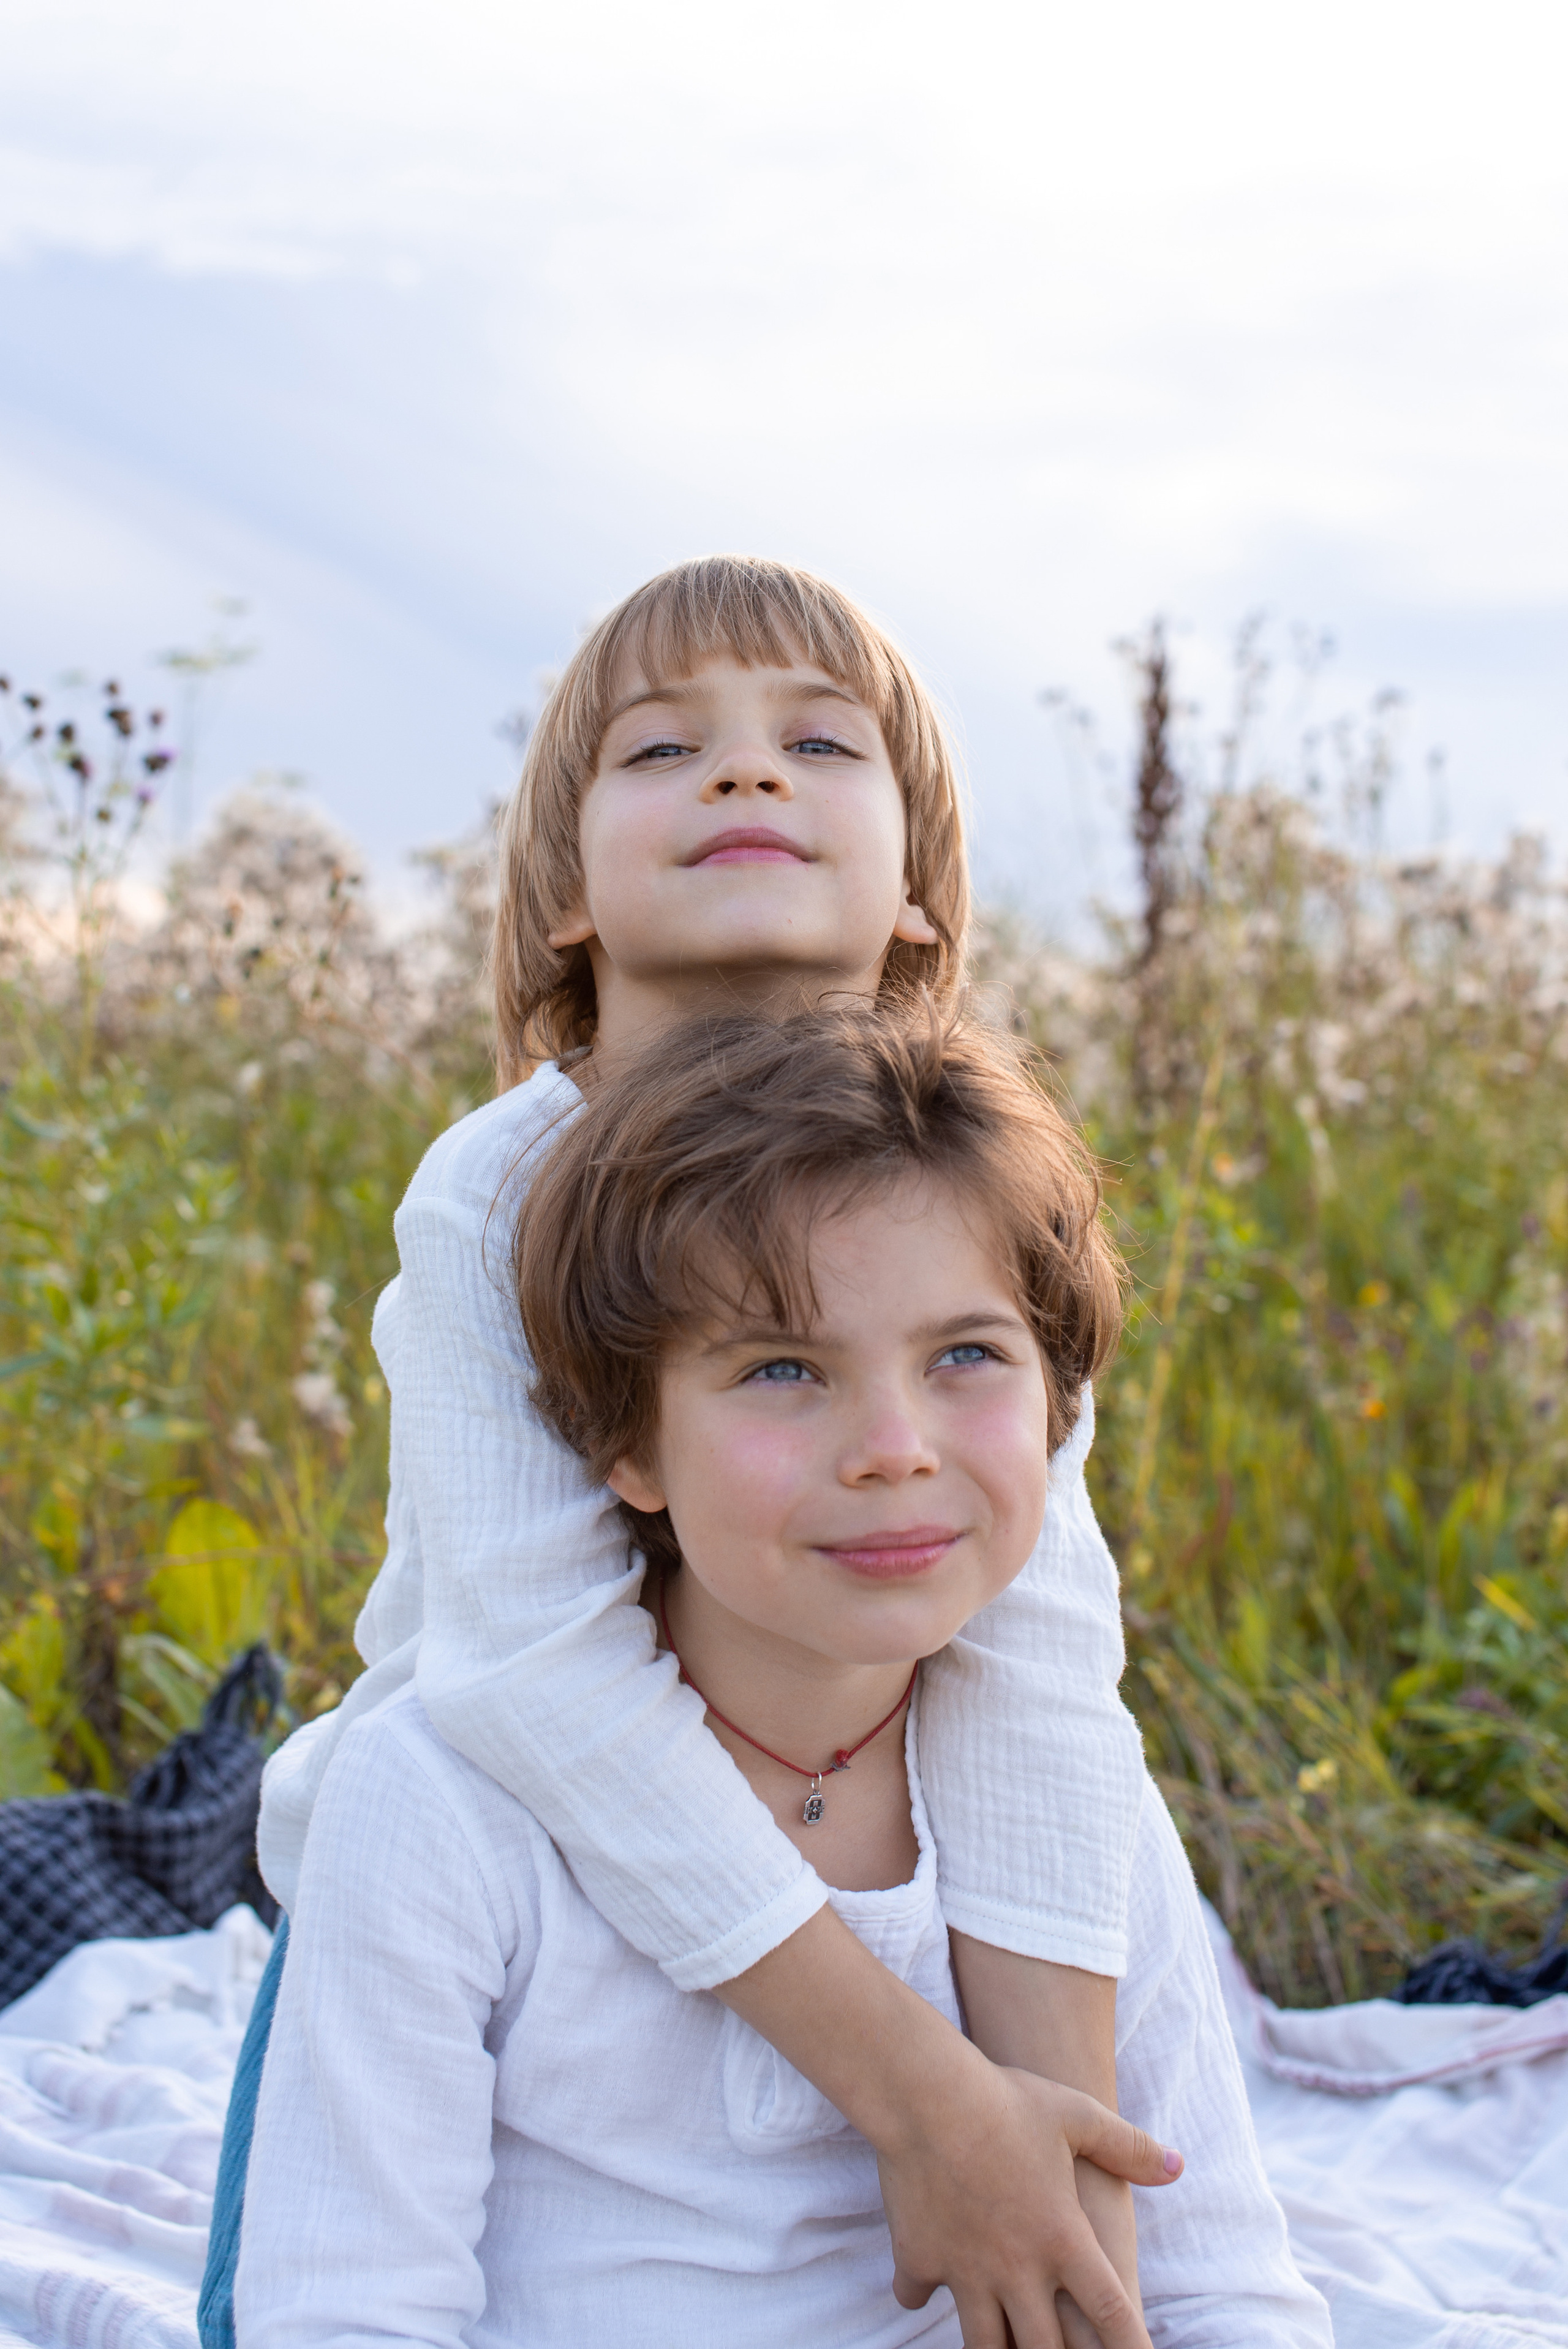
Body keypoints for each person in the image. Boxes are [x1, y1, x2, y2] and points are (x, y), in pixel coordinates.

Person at [215, 558, 1152, 2345]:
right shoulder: (495, 1189)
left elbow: (1035, 1671)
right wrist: (938, 2107)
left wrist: (1070, 2219)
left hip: (831, 1861)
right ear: (567, 891)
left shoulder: (970, 1188)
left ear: (920, 898)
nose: (747, 773)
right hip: (485, 1911)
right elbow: (537, 1683)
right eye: (666, 750)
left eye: (818, 740)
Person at [235, 1006, 1330, 2349]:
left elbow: (1221, 2291)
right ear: (625, 1448)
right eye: (781, 1370)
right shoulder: (437, 1806)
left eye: (965, 1357)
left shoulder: (1064, 1803)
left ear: (1058, 1405)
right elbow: (342, 2312)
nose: (891, 1447)